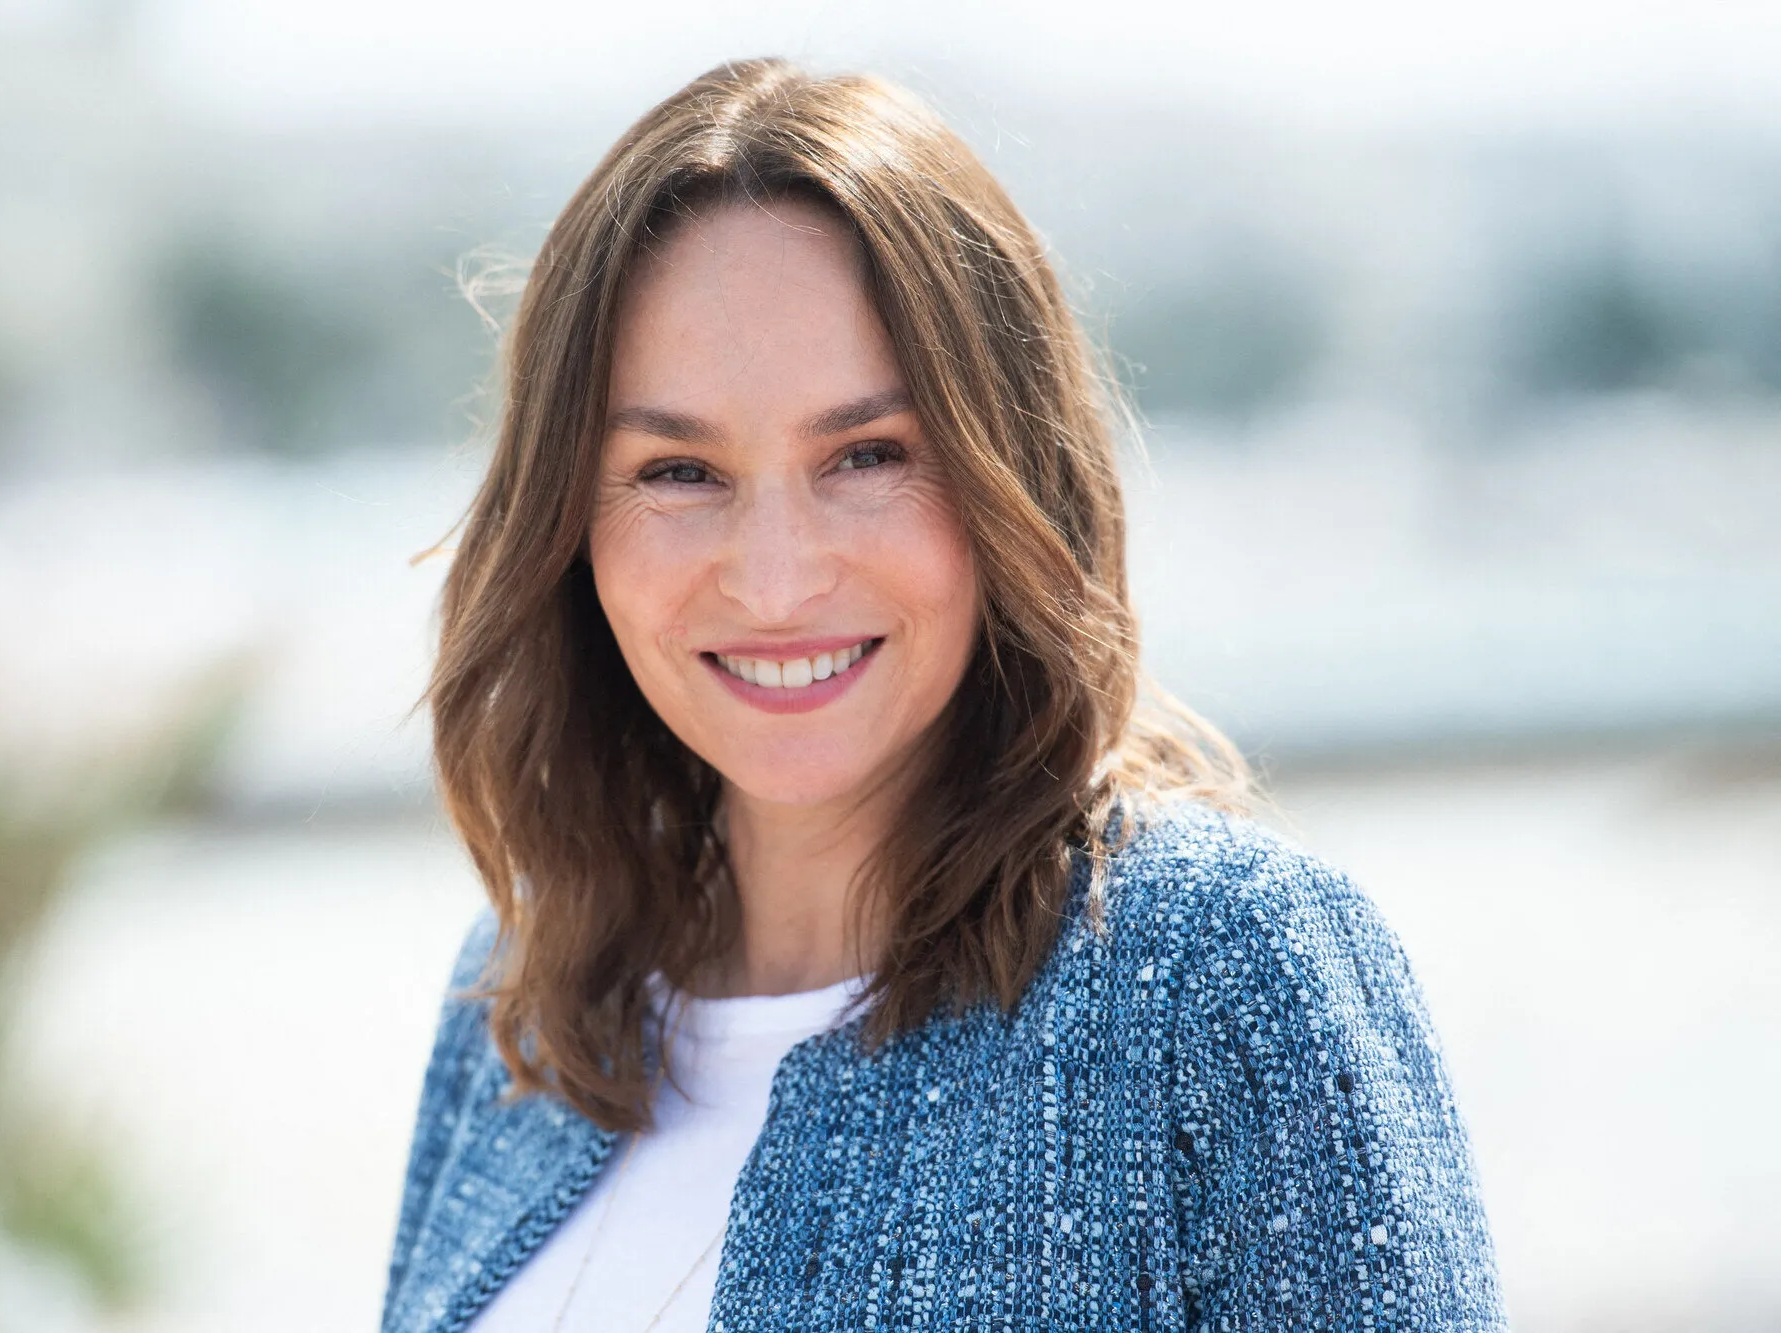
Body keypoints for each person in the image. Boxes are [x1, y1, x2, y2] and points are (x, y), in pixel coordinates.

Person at [380, 58, 1505, 1333]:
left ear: (1007, 473)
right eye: (678, 470)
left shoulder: (1215, 974)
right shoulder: (527, 1004)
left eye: (867, 455)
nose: (774, 578)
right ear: (566, 519)